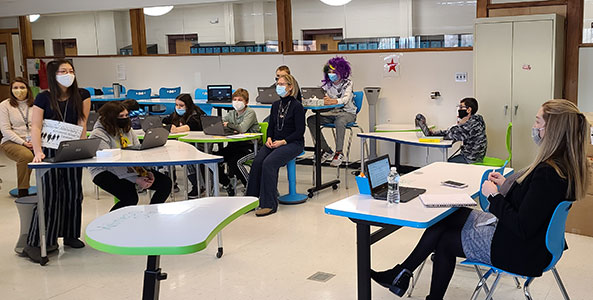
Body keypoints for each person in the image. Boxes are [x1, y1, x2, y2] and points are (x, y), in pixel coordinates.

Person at [371, 99, 588, 300]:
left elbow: (522, 225)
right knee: (451, 215)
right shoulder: (563, 167)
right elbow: (532, 205)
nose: (534, 126)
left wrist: (493, 196)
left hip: (520, 250)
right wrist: (505, 186)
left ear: (551, 129)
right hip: (532, 243)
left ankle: (405, 277)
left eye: (537, 121)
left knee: (445, 241)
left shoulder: (547, 174)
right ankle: (401, 273)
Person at [25, 59, 91, 263]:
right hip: (48, 149)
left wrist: (82, 148)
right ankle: (38, 242)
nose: (68, 74)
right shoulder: (43, 97)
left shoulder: (83, 95)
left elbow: (82, 122)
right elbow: (36, 126)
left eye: (71, 70)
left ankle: (71, 234)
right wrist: (37, 151)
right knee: (49, 194)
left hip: (72, 148)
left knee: (73, 192)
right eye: (63, 71)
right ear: (53, 75)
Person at [89, 101, 172, 211]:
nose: (125, 118)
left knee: (165, 183)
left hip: (129, 167)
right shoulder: (98, 134)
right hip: (104, 171)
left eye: (126, 115)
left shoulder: (127, 129)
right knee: (129, 197)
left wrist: (147, 171)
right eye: (121, 116)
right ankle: (110, 224)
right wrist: (136, 179)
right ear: (110, 117)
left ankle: (151, 214)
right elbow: (110, 164)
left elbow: (137, 151)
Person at [246, 74, 305, 217]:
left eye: (283, 84)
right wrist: (269, 138)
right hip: (275, 141)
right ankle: (251, 200)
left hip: (292, 143)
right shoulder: (275, 105)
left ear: (290, 87)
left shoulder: (297, 106)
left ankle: (269, 204)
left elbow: (300, 131)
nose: (279, 87)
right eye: (278, 83)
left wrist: (284, 141)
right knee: (258, 161)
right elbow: (271, 125)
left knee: (269, 163)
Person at [306, 56, 356, 167]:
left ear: (342, 71)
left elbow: (345, 100)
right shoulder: (326, 85)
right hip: (331, 113)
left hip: (347, 113)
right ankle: (326, 150)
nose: (331, 74)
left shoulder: (348, 83)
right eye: (329, 72)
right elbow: (320, 97)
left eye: (334, 72)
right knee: (311, 120)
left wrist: (332, 101)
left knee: (340, 121)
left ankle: (339, 152)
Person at [214, 88, 259, 195]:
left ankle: (251, 187)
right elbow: (220, 123)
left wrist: (229, 125)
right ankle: (226, 183)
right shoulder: (232, 113)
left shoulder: (250, 113)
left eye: (240, 100)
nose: (237, 102)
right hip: (234, 146)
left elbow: (242, 129)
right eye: (235, 99)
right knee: (214, 158)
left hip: (250, 147)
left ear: (246, 102)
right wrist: (230, 127)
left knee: (235, 162)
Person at [162, 93, 206, 197]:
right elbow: (164, 121)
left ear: (188, 105)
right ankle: (172, 184)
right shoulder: (176, 115)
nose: (178, 108)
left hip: (199, 145)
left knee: (188, 160)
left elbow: (190, 126)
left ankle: (198, 186)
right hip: (183, 145)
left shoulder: (195, 114)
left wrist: (175, 129)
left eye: (181, 106)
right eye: (176, 105)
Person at [0, 77, 35, 197]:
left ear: (28, 89)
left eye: (22, 87)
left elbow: (42, 124)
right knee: (26, 156)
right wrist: (23, 142)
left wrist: (35, 141)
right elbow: (5, 130)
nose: (19, 90)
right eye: (15, 88)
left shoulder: (35, 104)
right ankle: (23, 190)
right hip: (11, 141)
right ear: (11, 90)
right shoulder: (5, 105)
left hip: (34, 140)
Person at [430, 97, 487, 164]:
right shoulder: (477, 120)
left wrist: (460, 124)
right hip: (476, 156)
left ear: (469, 110)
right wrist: (436, 133)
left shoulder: (471, 124)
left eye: (461, 107)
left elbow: (453, 134)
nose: (459, 110)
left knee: (446, 164)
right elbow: (456, 131)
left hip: (471, 158)